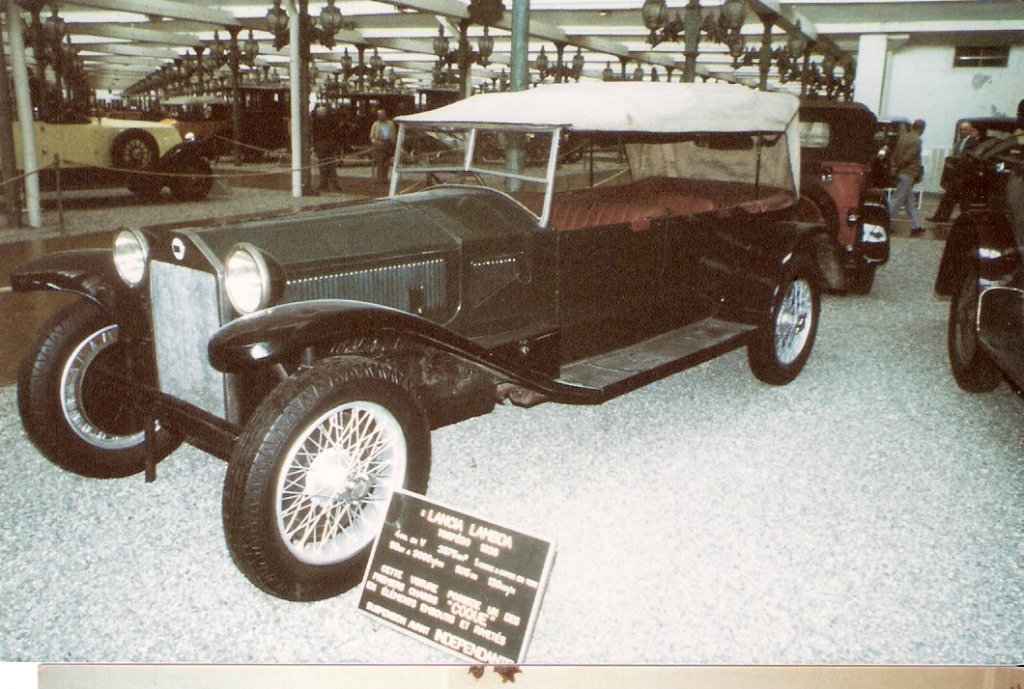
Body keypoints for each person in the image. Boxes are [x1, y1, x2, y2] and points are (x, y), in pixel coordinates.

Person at [928, 121, 980, 223]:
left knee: (962, 199)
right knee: (950, 196)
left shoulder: (973, 143)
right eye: (961, 129)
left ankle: (962, 219)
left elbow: (967, 157)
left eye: (965, 129)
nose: (962, 131)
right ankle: (941, 217)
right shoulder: (960, 142)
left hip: (964, 175)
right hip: (957, 175)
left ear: (970, 130)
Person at [888, 118, 926, 236]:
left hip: (901, 173)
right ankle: (885, 222)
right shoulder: (917, 140)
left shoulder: (903, 137)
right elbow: (908, 158)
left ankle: (915, 226)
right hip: (908, 173)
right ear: (922, 129)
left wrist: (894, 167)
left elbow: (894, 154)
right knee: (897, 199)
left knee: (910, 201)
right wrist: (897, 168)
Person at [310, 103, 341, 193]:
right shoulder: (332, 121)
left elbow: (315, 134)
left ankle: (324, 184)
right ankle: (334, 184)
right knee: (331, 165)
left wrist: (314, 145)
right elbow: (337, 133)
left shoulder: (316, 122)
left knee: (323, 165)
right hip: (331, 144)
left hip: (321, 145)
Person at [369, 108, 396, 185]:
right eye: (379, 115)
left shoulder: (391, 124)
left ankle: (385, 179)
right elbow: (372, 137)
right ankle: (379, 179)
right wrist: (375, 143)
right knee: (379, 164)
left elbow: (393, 135)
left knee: (386, 164)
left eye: (382, 114)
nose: (380, 116)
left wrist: (393, 144)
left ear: (385, 114)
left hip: (388, 145)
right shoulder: (375, 124)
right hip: (379, 146)